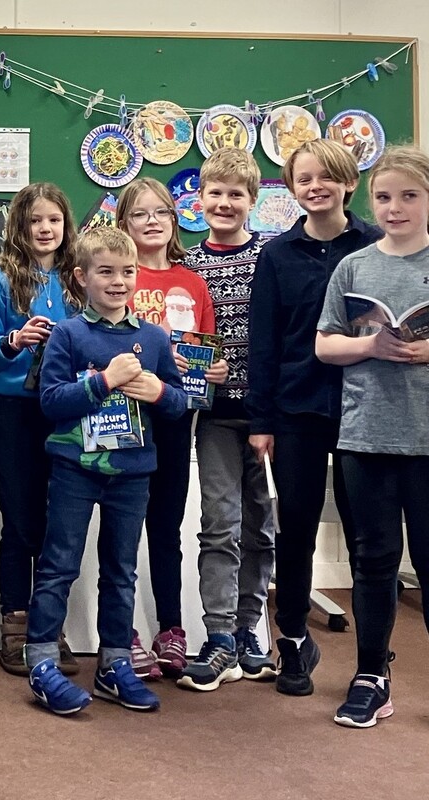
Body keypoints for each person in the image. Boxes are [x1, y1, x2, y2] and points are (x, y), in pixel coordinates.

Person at [25, 226, 186, 716]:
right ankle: (42, 661)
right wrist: (103, 381)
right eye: (106, 272)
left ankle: (115, 662)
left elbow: (179, 403)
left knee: (121, 570)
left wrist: (157, 392)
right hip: (75, 468)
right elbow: (50, 402)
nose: (119, 281)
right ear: (82, 277)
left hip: (133, 473)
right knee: (58, 565)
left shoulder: (153, 338)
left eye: (128, 271)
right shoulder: (70, 334)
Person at [247, 139, 381, 697]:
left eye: (327, 177)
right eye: (304, 178)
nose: (315, 187)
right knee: (296, 528)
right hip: (297, 409)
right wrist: (262, 420)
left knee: (366, 537)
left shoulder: (378, 245)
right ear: (292, 186)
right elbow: (263, 346)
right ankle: (295, 641)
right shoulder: (276, 256)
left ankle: (374, 659)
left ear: (349, 182)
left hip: (367, 411)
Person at [315, 144, 429, 728]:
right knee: (374, 560)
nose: (395, 208)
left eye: (409, 196)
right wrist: (372, 345)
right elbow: (325, 343)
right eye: (384, 197)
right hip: (366, 438)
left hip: (426, 440)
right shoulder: (354, 266)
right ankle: (370, 676)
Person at [0, 182, 83, 676]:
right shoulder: (0, 281)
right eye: (35, 220)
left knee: (59, 520)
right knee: (19, 519)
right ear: (19, 226)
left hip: (69, 412)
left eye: (53, 220)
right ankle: (15, 620)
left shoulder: (81, 278)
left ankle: (49, 624)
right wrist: (14, 341)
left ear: (66, 225)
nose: (44, 229)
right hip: (17, 410)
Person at [117, 177, 224, 680]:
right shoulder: (116, 276)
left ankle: (171, 629)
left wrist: (212, 369)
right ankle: (123, 632)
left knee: (165, 528)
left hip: (175, 418)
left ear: (175, 217)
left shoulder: (192, 281)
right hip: (121, 419)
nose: (153, 220)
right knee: (120, 528)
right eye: (140, 214)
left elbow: (204, 353)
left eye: (161, 211)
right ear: (124, 224)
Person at [178, 148, 276, 691]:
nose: (224, 202)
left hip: (266, 413)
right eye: (215, 193)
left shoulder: (272, 255)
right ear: (199, 199)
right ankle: (218, 638)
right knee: (221, 523)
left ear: (253, 201)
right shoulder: (190, 265)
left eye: (236, 194)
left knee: (262, 527)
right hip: (216, 416)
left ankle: (249, 630)